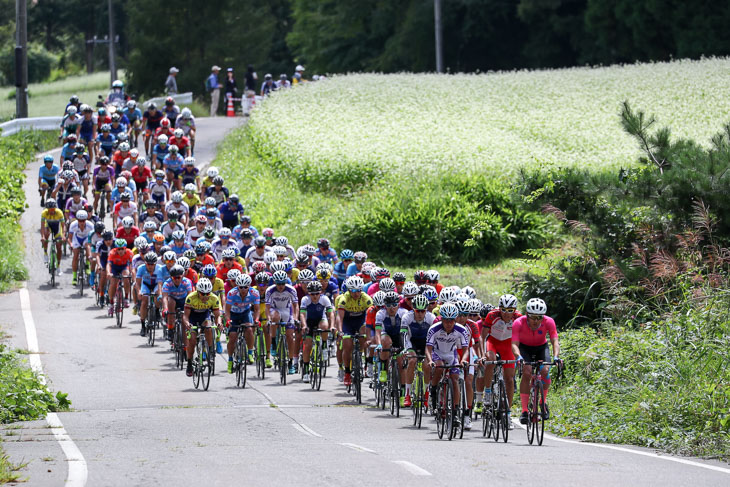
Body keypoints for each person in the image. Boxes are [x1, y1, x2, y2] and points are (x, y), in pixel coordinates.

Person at [512, 298, 562, 425]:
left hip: (541, 347)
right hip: (524, 348)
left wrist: (556, 356)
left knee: (545, 370)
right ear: (527, 315)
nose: (536, 321)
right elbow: (514, 344)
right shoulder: (518, 323)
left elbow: (555, 341)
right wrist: (519, 357)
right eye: (533, 317)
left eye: (539, 318)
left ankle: (542, 402)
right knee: (527, 372)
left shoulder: (549, 322)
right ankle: (524, 411)